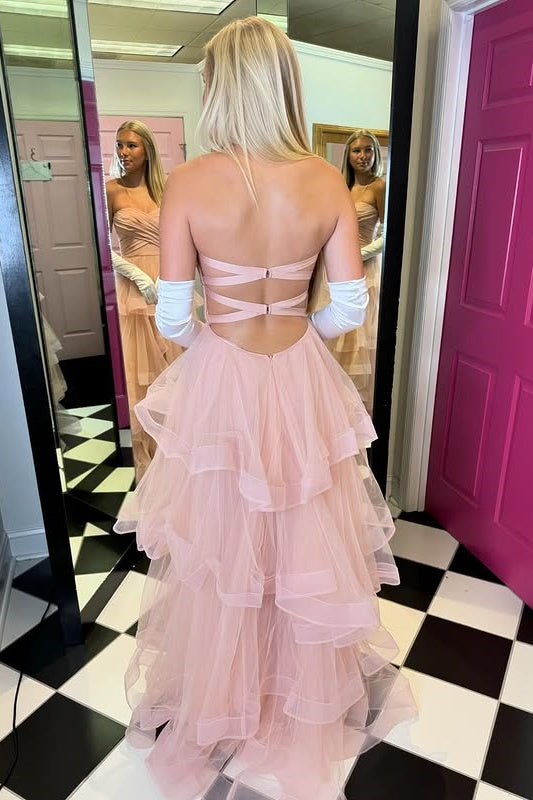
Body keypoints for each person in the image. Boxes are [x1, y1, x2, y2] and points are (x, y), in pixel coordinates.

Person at [114, 18, 415, 800]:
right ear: (282, 83)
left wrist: (219, 348)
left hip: (225, 369)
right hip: (299, 370)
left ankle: (227, 693)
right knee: (302, 531)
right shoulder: (323, 181)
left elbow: (172, 317)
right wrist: (297, 336)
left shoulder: (190, 182)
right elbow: (348, 304)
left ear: (222, 86)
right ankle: (293, 689)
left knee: (224, 541)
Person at [106, 120, 183, 479]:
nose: (123, 152)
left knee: (174, 373)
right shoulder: (111, 190)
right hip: (133, 291)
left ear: (148, 150)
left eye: (132, 145)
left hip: (169, 287)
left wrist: (172, 278)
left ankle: (176, 460)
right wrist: (134, 273)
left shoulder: (168, 192)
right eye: (120, 145)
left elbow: (184, 239)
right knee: (141, 378)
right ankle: (148, 464)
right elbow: (100, 244)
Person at [313, 129, 385, 415]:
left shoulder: (379, 187)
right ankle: (332, 410)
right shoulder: (340, 187)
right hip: (332, 272)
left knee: (357, 341)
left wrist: (356, 255)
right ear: (348, 155)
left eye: (368, 150)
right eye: (357, 150)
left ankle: (356, 412)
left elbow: (388, 236)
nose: (363, 156)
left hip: (365, 271)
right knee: (332, 339)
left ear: (375, 154)